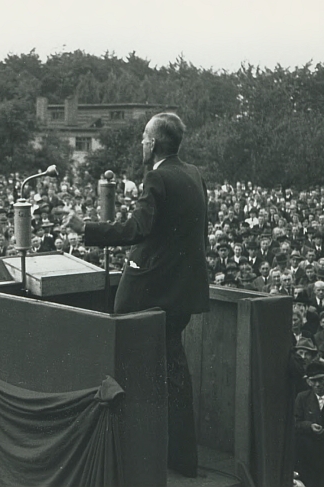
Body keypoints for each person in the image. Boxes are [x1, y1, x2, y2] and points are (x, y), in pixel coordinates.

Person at [64, 112, 209, 477]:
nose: (141, 144)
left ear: (154, 143)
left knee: (124, 370)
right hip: (181, 296)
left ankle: (124, 458)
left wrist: (87, 228)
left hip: (147, 294)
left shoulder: (157, 177)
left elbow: (137, 228)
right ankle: (183, 459)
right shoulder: (193, 173)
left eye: (144, 138)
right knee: (175, 373)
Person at [294, 362, 324, 487]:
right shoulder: (302, 398)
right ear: (308, 382)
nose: (317, 384)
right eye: (313, 381)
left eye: (320, 380)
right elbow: (295, 423)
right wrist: (309, 426)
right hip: (309, 453)